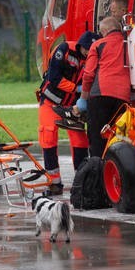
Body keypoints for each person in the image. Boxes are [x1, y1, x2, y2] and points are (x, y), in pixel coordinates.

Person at [38, 30, 100, 195]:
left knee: (80, 141)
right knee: (48, 137)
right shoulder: (64, 49)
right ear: (82, 46)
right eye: (88, 49)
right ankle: (54, 183)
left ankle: (81, 181)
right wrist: (76, 88)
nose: (89, 53)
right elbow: (54, 78)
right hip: (50, 103)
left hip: (74, 106)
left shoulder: (94, 59)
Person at [81, 15, 131, 160]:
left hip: (100, 95)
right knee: (120, 138)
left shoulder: (98, 45)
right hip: (123, 97)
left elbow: (88, 74)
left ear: (106, 30)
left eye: (102, 32)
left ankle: (98, 172)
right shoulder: (129, 43)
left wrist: (83, 99)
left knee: (97, 138)